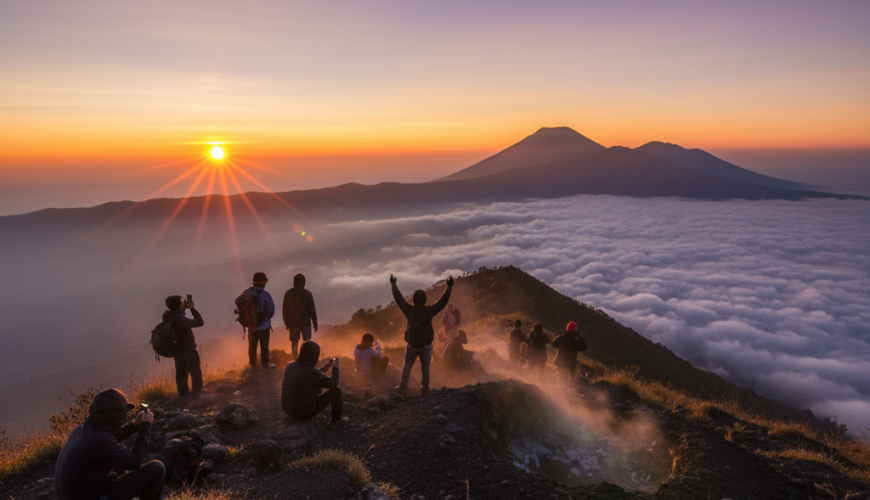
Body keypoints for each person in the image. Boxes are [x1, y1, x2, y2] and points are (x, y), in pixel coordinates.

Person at [56, 388, 164, 500]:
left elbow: (111, 439)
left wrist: (134, 425)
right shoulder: (99, 440)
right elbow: (135, 461)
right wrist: (145, 427)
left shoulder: (84, 428)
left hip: (78, 494)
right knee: (156, 469)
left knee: (119, 465)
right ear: (115, 417)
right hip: (94, 496)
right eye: (124, 414)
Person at [391, 273, 454, 395]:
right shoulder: (429, 311)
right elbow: (443, 301)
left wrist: (393, 285)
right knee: (425, 369)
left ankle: (402, 387)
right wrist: (449, 286)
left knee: (407, 366)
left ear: (414, 300)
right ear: (425, 300)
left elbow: (399, 299)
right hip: (426, 345)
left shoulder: (409, 310)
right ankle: (424, 390)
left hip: (412, 345)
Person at [281, 340, 343, 426]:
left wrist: (327, 366)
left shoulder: (289, 365)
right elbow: (333, 383)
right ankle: (336, 420)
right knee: (336, 391)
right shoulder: (311, 372)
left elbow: (312, 375)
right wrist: (335, 366)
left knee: (315, 385)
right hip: (302, 413)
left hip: (288, 410)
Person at [163, 294, 204, 396]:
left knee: (181, 374)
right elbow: (200, 322)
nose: (183, 303)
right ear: (178, 305)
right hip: (188, 350)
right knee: (195, 373)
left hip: (176, 351)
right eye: (181, 302)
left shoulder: (166, 315)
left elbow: (175, 313)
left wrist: (184, 307)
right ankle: (197, 395)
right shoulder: (180, 320)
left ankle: (183, 396)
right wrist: (192, 309)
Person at [282, 273, 318, 360]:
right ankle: (307, 359)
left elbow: (285, 310)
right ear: (303, 282)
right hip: (305, 323)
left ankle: (295, 360)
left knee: (294, 343)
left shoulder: (288, 293)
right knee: (307, 343)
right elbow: (312, 309)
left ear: (294, 282)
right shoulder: (307, 294)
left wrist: (286, 323)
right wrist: (315, 322)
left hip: (293, 323)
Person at [247, 271, 275, 368]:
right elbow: (271, 310)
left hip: (251, 325)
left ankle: (253, 365)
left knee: (252, 346)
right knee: (264, 346)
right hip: (264, 325)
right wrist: (266, 318)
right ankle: (265, 365)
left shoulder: (247, 293)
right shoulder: (265, 295)